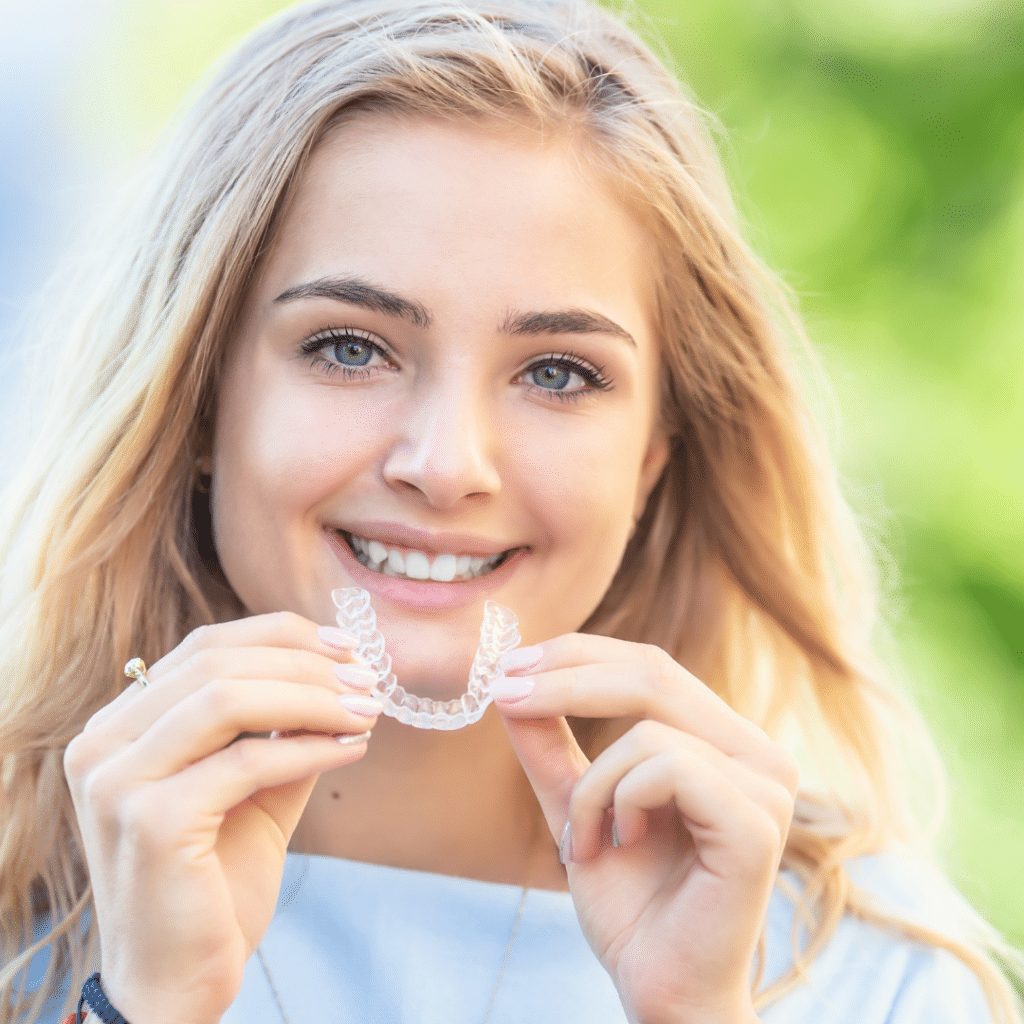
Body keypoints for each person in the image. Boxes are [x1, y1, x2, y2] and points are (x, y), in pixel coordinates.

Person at [1, 1, 1020, 1022]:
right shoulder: (23, 929)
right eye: (350, 347)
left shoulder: (880, 978)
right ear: (199, 403)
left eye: (557, 372)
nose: (446, 465)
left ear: (654, 457)